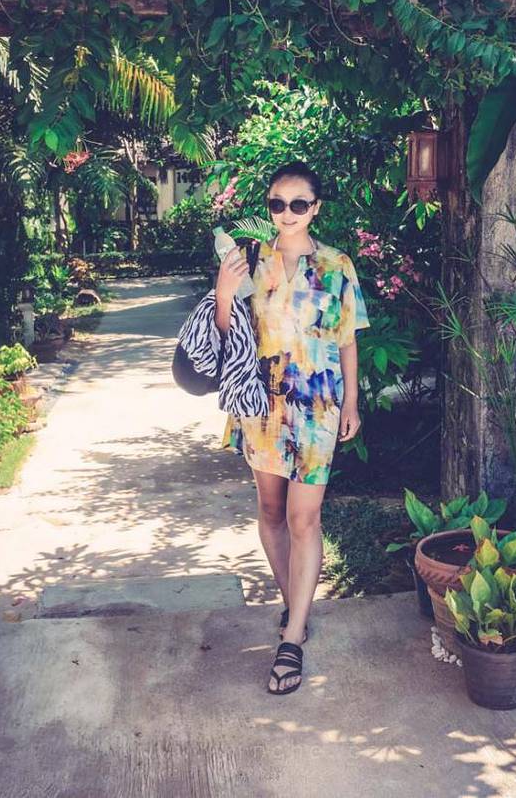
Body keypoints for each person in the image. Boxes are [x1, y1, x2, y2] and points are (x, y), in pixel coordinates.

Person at [215, 161, 370, 695]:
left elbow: (347, 338)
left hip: (318, 404)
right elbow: (227, 334)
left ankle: (292, 637)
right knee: (271, 512)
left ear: (315, 208)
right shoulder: (250, 261)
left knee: (305, 518)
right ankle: (294, 606)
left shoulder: (336, 265)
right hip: (261, 403)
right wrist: (223, 292)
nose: (287, 213)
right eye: (277, 203)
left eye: (298, 204)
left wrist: (352, 401)